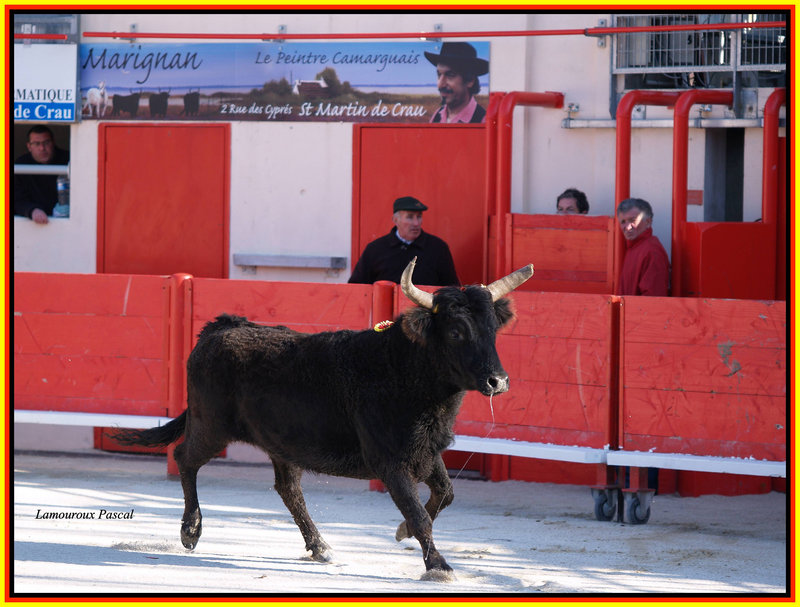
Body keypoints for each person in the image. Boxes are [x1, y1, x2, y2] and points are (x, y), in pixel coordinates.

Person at [348, 196, 459, 286]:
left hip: (425, 312)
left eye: (419, 217)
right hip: (386, 313)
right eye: (410, 217)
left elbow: (452, 289)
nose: (416, 223)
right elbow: (356, 289)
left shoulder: (438, 248)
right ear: (396, 220)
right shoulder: (375, 249)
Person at [14, 125, 70, 224]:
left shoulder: (68, 160)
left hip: (66, 221)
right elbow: (15, 199)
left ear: (53, 143)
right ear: (29, 146)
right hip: (33, 225)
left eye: (46, 142)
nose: (42, 148)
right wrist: (32, 210)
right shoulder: (20, 165)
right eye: (36, 144)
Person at [425, 42, 489, 124]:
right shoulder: (437, 116)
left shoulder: (483, 120)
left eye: (450, 75)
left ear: (470, 80)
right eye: (439, 74)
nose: (440, 84)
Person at [616, 198, 670, 297]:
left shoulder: (652, 252)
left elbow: (653, 300)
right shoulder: (635, 247)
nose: (628, 227)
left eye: (633, 220)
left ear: (648, 222)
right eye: (623, 222)